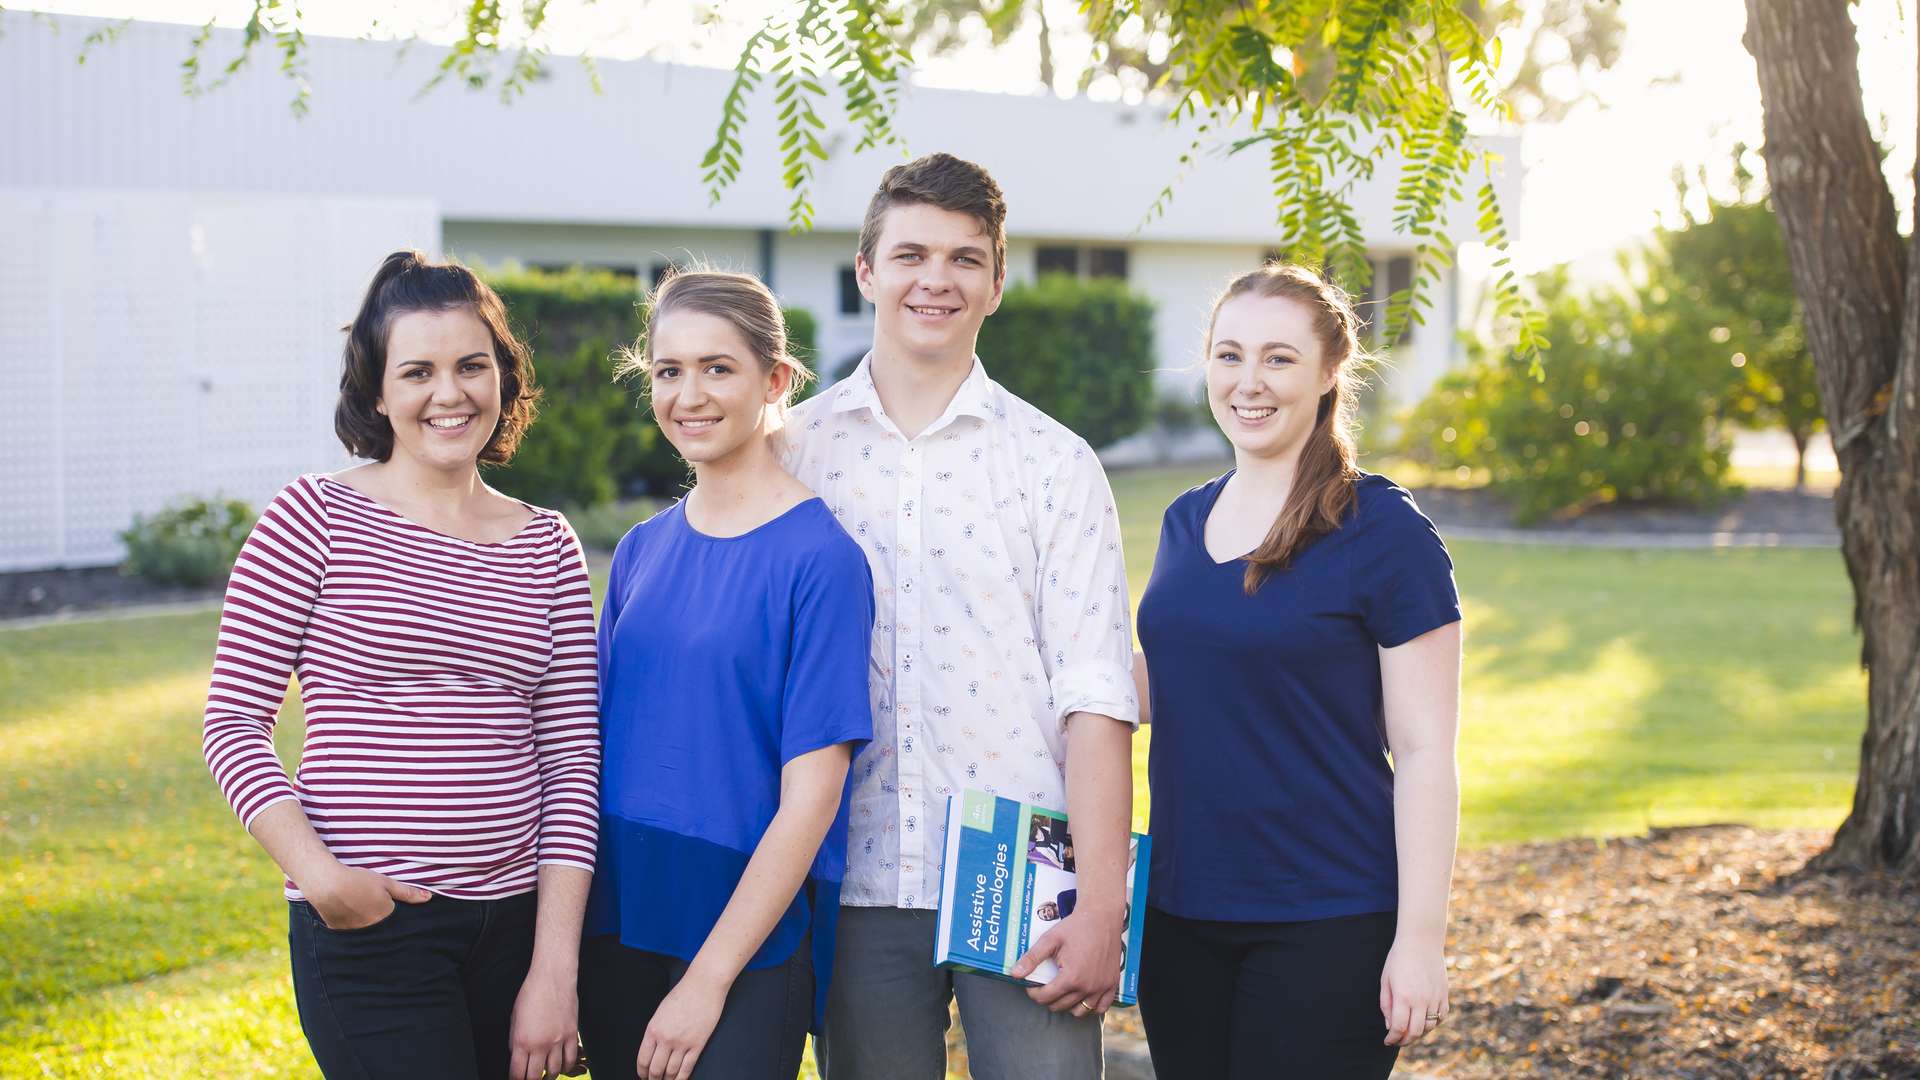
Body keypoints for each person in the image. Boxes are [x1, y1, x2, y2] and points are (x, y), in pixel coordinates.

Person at [201, 250, 601, 1080]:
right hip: (370, 927)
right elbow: (233, 721)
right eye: (417, 371)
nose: (448, 394)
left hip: (517, 928)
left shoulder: (548, 546)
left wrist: (555, 970)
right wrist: (320, 876)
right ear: (378, 393)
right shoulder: (312, 517)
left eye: (471, 366)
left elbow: (570, 760)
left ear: (504, 378)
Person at [784, 152, 1140, 1080]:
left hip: (1030, 885)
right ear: (866, 271)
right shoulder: (791, 454)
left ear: (996, 282)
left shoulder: (1056, 465)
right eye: (909, 255)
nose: (935, 280)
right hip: (853, 876)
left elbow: (1097, 700)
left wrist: (1102, 905)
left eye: (963, 259)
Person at [1133, 263, 1464, 1078]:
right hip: (1180, 916)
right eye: (1228, 355)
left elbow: (1426, 753)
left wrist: (1420, 940)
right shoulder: (1185, 520)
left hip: (1329, 919)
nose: (1249, 382)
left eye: (1278, 359)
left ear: (1327, 374)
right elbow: (1169, 682)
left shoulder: (1384, 530)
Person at [578, 268, 874, 1080]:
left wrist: (710, 979)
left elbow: (811, 801)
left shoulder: (822, 562)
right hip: (618, 913)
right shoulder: (639, 551)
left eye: (718, 368)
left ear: (775, 379)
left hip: (747, 935)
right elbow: (596, 755)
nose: (689, 395)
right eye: (669, 370)